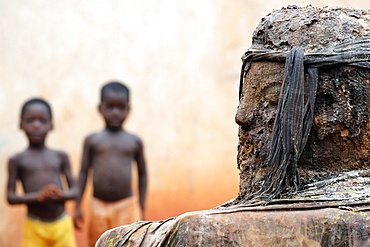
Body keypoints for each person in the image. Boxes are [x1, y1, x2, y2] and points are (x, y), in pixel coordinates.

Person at [74, 81, 148, 246]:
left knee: (132, 243)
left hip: (127, 206)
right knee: (98, 243)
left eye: (121, 107)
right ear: (100, 108)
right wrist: (77, 205)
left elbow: (143, 174)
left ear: (128, 109)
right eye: (110, 107)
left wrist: (141, 206)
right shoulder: (92, 140)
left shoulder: (134, 142)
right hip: (97, 205)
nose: (115, 113)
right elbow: (83, 173)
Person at [6, 98, 78, 247]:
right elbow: (10, 197)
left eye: (42, 121)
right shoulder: (17, 160)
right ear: (21, 124)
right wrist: (37, 197)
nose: (36, 126)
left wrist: (60, 195)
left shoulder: (60, 156)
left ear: (51, 125)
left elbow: (75, 191)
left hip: (62, 225)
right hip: (34, 226)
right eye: (30, 120)